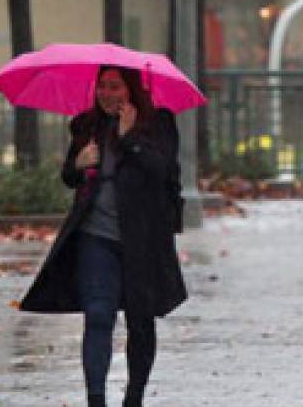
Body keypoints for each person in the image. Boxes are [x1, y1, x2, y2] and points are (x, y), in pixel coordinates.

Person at [21, 66, 187, 407]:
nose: (106, 93)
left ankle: (133, 398)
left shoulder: (160, 124)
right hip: (95, 235)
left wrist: (130, 138)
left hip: (142, 240)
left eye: (115, 86)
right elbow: (70, 176)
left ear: (132, 90)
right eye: (102, 87)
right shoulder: (87, 125)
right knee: (98, 314)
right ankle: (95, 399)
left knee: (140, 321)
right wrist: (78, 164)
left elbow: (163, 171)